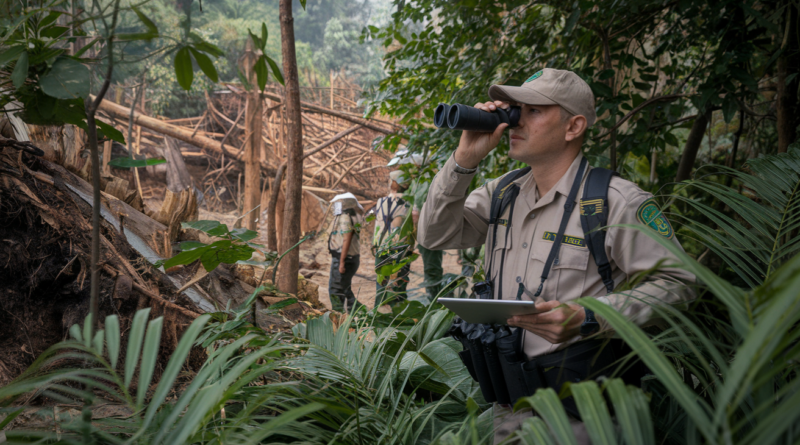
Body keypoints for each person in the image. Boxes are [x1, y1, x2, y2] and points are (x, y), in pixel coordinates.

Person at [417, 68, 695, 443]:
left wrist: (591, 316)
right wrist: (463, 161)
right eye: (513, 109)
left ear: (573, 126)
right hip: (510, 404)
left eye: (532, 110)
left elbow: (680, 285)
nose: (514, 119)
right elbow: (434, 235)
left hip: (584, 414)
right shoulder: (503, 194)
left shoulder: (614, 202)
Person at [371, 170, 413, 307]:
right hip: (400, 249)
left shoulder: (381, 201)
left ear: (394, 183)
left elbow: (378, 225)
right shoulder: (409, 203)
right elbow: (404, 228)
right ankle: (398, 316)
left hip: (381, 247)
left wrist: (375, 245)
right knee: (398, 284)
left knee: (381, 283)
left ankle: (380, 313)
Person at [327, 193, 364, 313]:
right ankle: (355, 313)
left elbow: (347, 238)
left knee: (336, 290)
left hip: (344, 258)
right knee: (345, 288)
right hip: (353, 257)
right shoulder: (356, 215)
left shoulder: (345, 217)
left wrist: (342, 262)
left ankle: (339, 317)